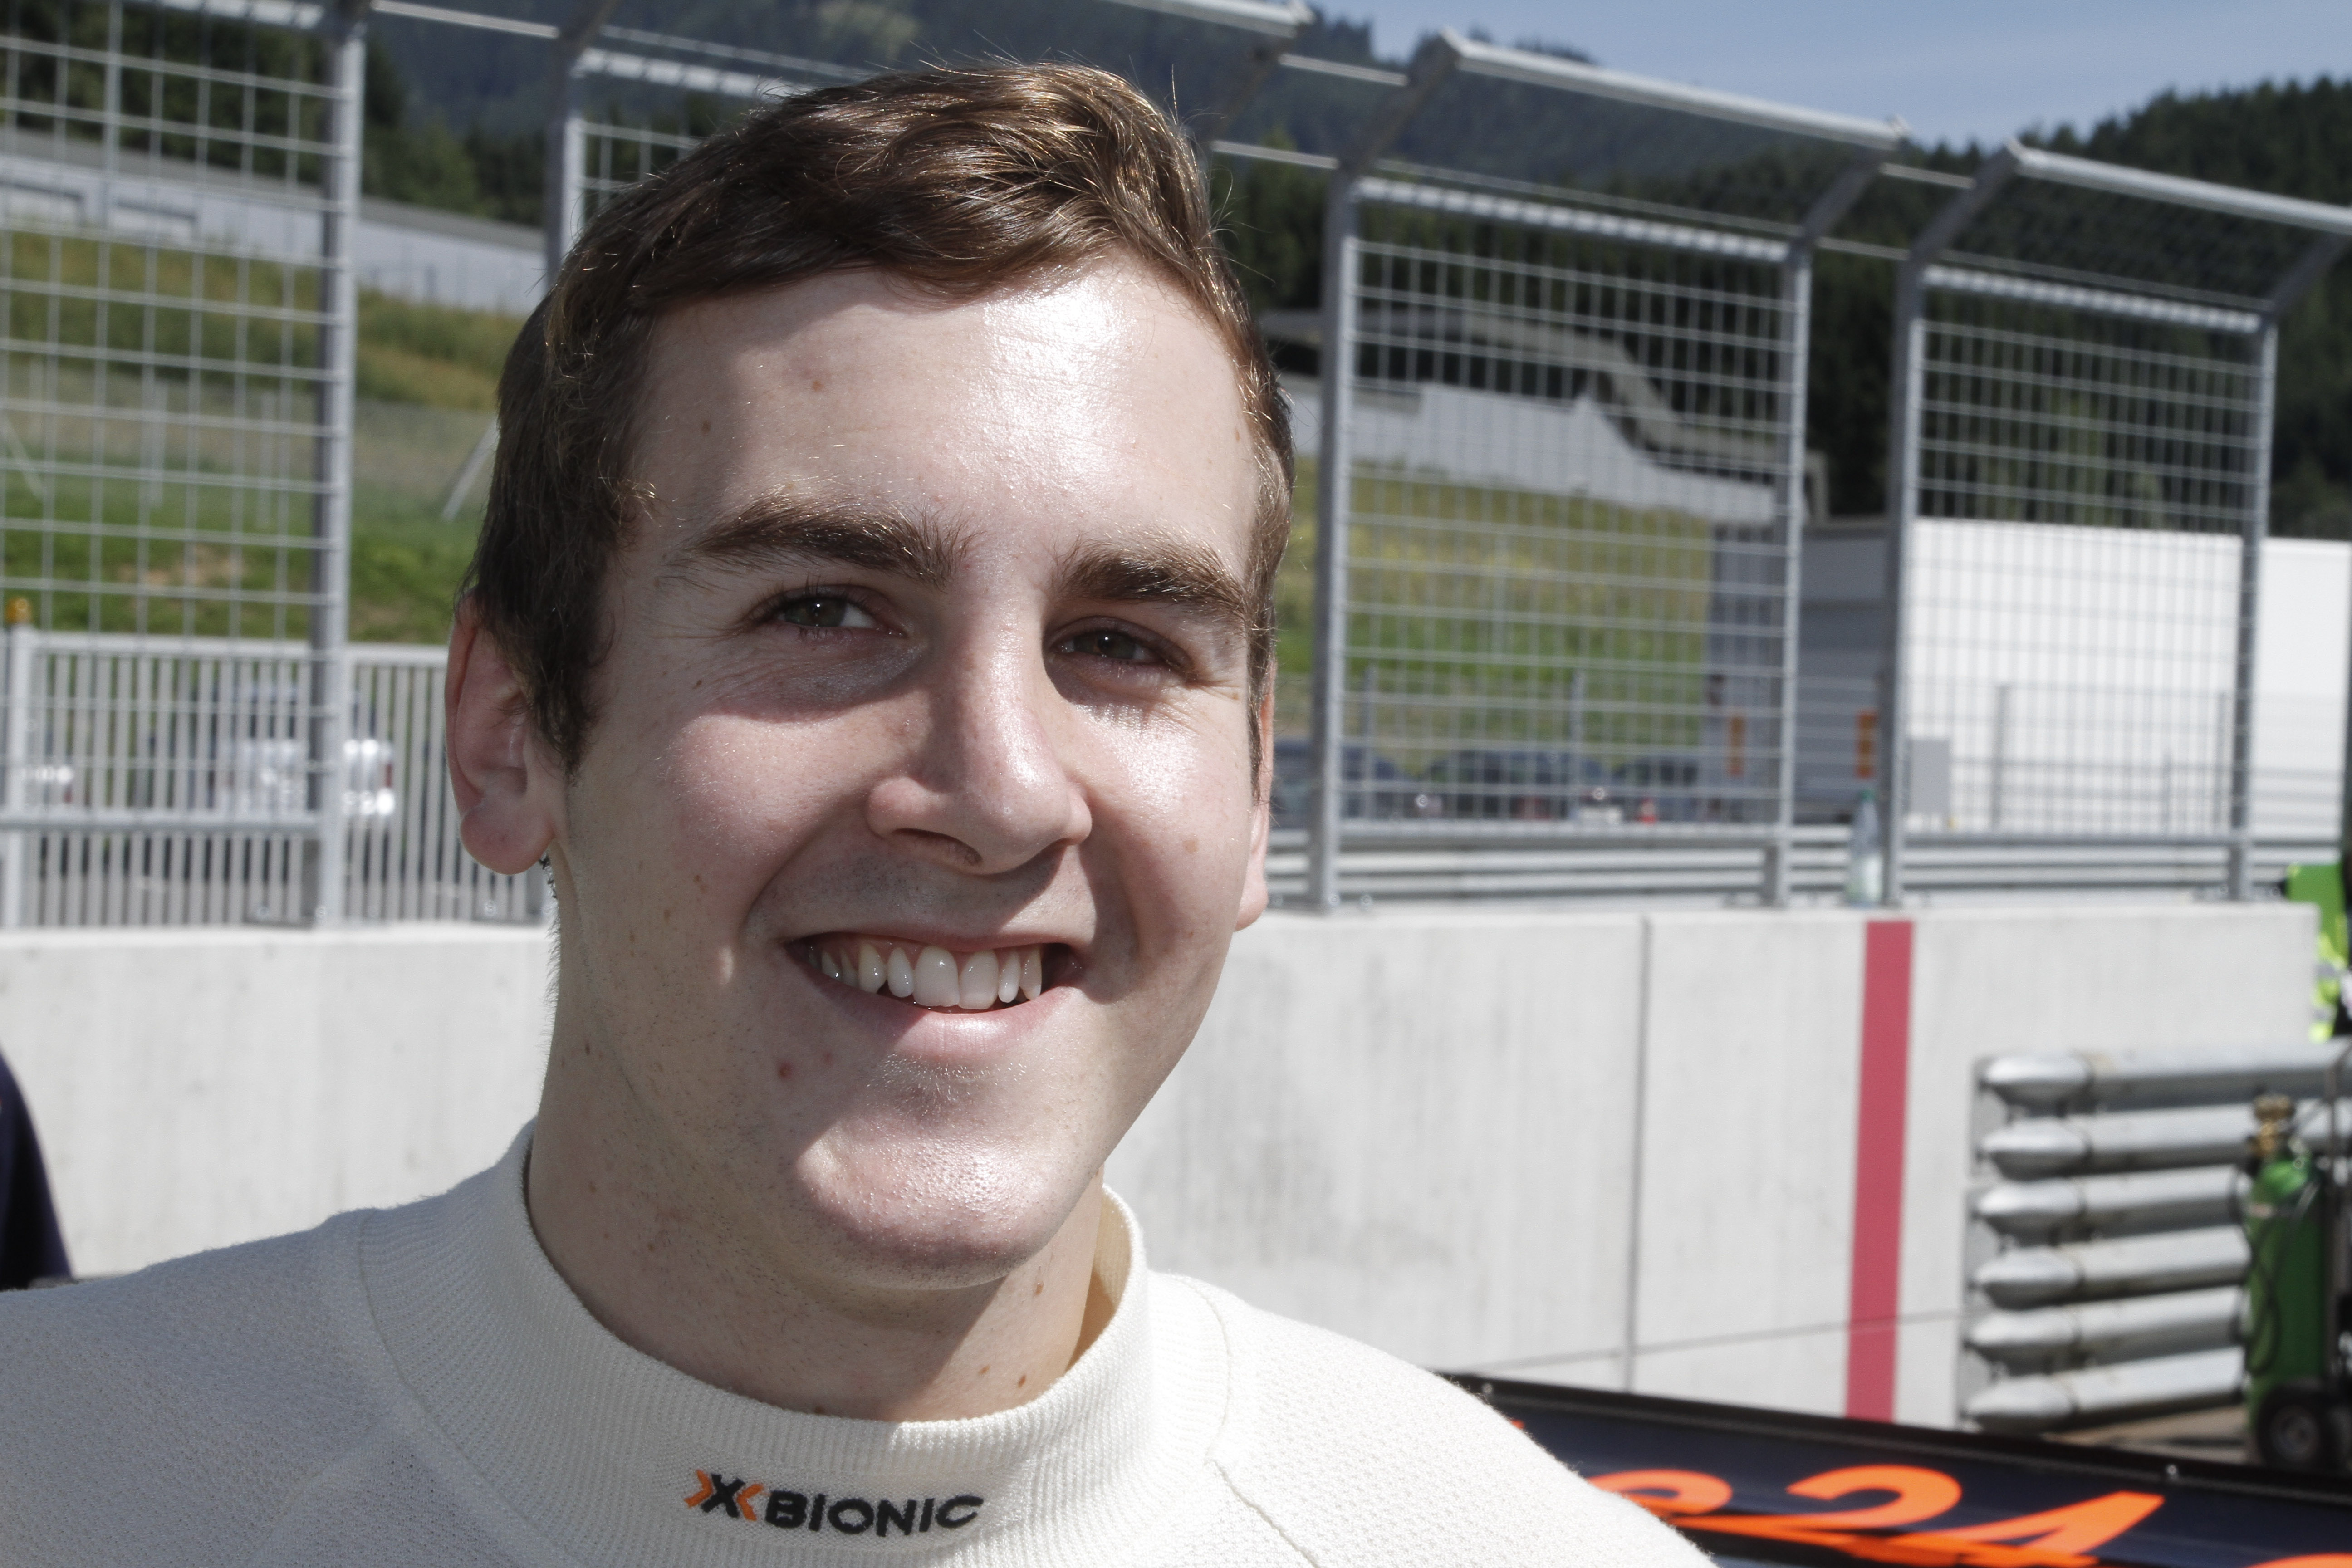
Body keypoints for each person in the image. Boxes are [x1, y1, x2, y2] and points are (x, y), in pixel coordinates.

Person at [0, 64, 1701, 1566]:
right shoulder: (53, 1481)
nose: (1000, 791)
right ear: (509, 733)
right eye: (822, 609)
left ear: (1255, 791)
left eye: (1122, 641)